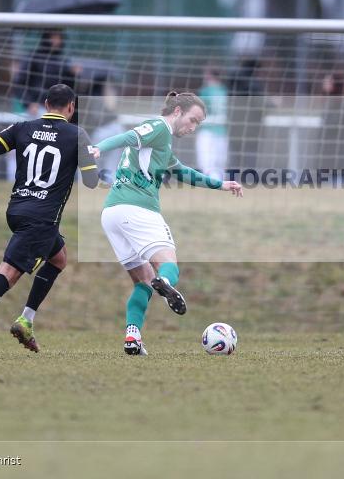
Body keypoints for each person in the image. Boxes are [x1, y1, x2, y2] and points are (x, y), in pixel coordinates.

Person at [0, 84, 99, 359]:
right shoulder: (77, 135)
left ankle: (26, 320)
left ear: (46, 104)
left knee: (59, 258)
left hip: (16, 211)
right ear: (71, 107)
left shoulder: (23, 127)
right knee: (9, 274)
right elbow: (91, 181)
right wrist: (91, 157)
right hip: (42, 219)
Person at [92, 92, 243, 355]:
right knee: (168, 265)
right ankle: (164, 281)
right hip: (138, 209)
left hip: (112, 213)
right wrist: (99, 148)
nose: (193, 128)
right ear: (177, 112)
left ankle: (133, 336)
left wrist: (221, 184)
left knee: (143, 282)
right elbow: (129, 136)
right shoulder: (159, 127)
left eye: (198, 124)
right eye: (193, 120)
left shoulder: (162, 144)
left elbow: (183, 172)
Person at [12, 29, 80, 118]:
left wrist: (72, 75)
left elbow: (68, 87)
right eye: (54, 38)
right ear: (46, 39)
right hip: (36, 108)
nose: (57, 41)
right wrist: (29, 103)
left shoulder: (63, 61)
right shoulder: (33, 57)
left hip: (58, 108)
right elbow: (19, 84)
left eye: (59, 38)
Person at [196, 65, 229, 180]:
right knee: (220, 161)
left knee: (207, 160)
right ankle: (219, 181)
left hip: (207, 129)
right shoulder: (224, 90)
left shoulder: (206, 91)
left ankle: (211, 181)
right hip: (222, 129)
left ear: (209, 75)